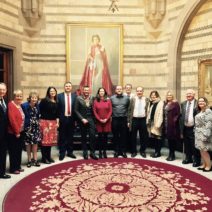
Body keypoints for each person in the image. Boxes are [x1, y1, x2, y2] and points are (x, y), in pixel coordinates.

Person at [74, 85, 98, 160]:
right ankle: (85, 152)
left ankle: (92, 153)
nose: (86, 91)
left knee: (92, 136)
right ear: (83, 91)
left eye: (88, 90)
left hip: (91, 119)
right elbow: (76, 110)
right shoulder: (78, 98)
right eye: (85, 90)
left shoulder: (93, 98)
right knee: (83, 137)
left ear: (89, 91)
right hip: (83, 120)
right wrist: (82, 119)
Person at [180, 89, 201, 167]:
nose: (188, 95)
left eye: (190, 94)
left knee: (194, 145)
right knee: (187, 144)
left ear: (194, 94)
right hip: (185, 127)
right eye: (187, 94)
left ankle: (197, 160)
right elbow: (181, 116)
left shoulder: (197, 103)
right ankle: (188, 158)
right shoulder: (183, 103)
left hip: (194, 127)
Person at [21, 91, 41, 167]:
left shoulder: (37, 106)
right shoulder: (24, 105)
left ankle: (35, 159)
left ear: (37, 99)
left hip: (35, 128)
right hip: (28, 128)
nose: (34, 99)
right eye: (32, 97)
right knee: (28, 144)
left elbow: (38, 116)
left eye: (35, 98)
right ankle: (29, 160)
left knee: (35, 144)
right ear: (30, 98)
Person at [39, 87, 59, 164]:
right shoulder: (44, 101)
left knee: (50, 141)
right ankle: (44, 158)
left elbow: (57, 113)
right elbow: (39, 110)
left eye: (54, 91)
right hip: (45, 122)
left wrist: (57, 122)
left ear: (55, 92)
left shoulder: (56, 101)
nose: (52, 92)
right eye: (51, 91)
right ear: (48, 92)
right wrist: (40, 121)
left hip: (53, 123)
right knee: (44, 141)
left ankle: (48, 156)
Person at [128, 87, 149, 158]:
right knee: (133, 136)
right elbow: (129, 110)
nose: (139, 92)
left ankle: (142, 151)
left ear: (143, 91)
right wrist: (128, 121)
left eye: (140, 91)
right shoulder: (133, 99)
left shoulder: (146, 99)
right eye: (138, 91)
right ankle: (134, 151)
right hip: (134, 119)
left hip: (143, 120)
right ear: (136, 92)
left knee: (143, 136)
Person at [57, 82, 77, 161]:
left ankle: (70, 152)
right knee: (62, 136)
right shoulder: (59, 96)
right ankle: (62, 152)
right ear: (64, 87)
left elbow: (76, 109)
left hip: (72, 119)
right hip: (62, 118)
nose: (68, 87)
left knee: (70, 136)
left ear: (71, 88)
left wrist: (76, 120)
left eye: (69, 86)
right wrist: (57, 119)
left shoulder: (75, 96)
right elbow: (57, 109)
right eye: (66, 86)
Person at [7, 90, 25, 174]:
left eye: (20, 96)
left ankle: (18, 166)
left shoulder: (20, 105)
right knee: (13, 151)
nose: (19, 97)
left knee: (19, 150)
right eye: (17, 96)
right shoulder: (11, 105)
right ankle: (13, 168)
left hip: (21, 131)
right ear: (14, 96)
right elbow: (12, 120)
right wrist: (17, 132)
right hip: (13, 133)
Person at [111, 85, 130, 158]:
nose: (119, 90)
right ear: (115, 90)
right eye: (117, 89)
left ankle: (123, 151)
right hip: (115, 119)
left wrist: (128, 120)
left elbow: (128, 109)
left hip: (124, 119)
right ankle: (116, 151)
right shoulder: (112, 98)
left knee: (123, 136)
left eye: (120, 89)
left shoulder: (127, 98)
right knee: (115, 136)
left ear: (122, 90)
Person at [93, 87, 112, 158]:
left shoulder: (108, 100)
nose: (101, 92)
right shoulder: (95, 101)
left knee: (105, 138)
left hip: (107, 122)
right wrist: (99, 119)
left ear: (104, 92)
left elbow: (110, 111)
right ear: (98, 93)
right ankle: (100, 152)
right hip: (99, 122)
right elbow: (94, 111)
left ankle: (104, 152)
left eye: (103, 91)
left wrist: (106, 119)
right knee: (100, 138)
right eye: (100, 91)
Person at [194, 97, 212, 172]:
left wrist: (206, 134)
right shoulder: (200, 111)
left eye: (202, 101)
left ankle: (209, 165)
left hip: (204, 133)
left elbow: (209, 123)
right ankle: (204, 164)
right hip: (198, 133)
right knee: (201, 150)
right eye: (199, 101)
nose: (200, 103)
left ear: (206, 102)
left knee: (204, 150)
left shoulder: (208, 111)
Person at [163, 91, 180, 161]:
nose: (169, 96)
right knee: (169, 140)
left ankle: (172, 154)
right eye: (168, 95)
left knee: (172, 140)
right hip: (166, 124)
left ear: (172, 96)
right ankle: (170, 153)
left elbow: (178, 114)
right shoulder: (165, 103)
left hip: (172, 125)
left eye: (170, 95)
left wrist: (174, 121)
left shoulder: (175, 103)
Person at [146, 90, 164, 158]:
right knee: (154, 137)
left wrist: (158, 124)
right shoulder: (151, 103)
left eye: (154, 95)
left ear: (157, 96)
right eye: (152, 95)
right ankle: (156, 151)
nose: (153, 96)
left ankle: (158, 152)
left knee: (158, 137)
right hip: (152, 122)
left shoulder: (160, 103)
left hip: (157, 123)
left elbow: (161, 114)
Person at [0, 83, 11, 179]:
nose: (2, 91)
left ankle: (2, 172)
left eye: (3, 90)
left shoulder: (5, 101)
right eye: (0, 89)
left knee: (3, 153)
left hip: (4, 133)